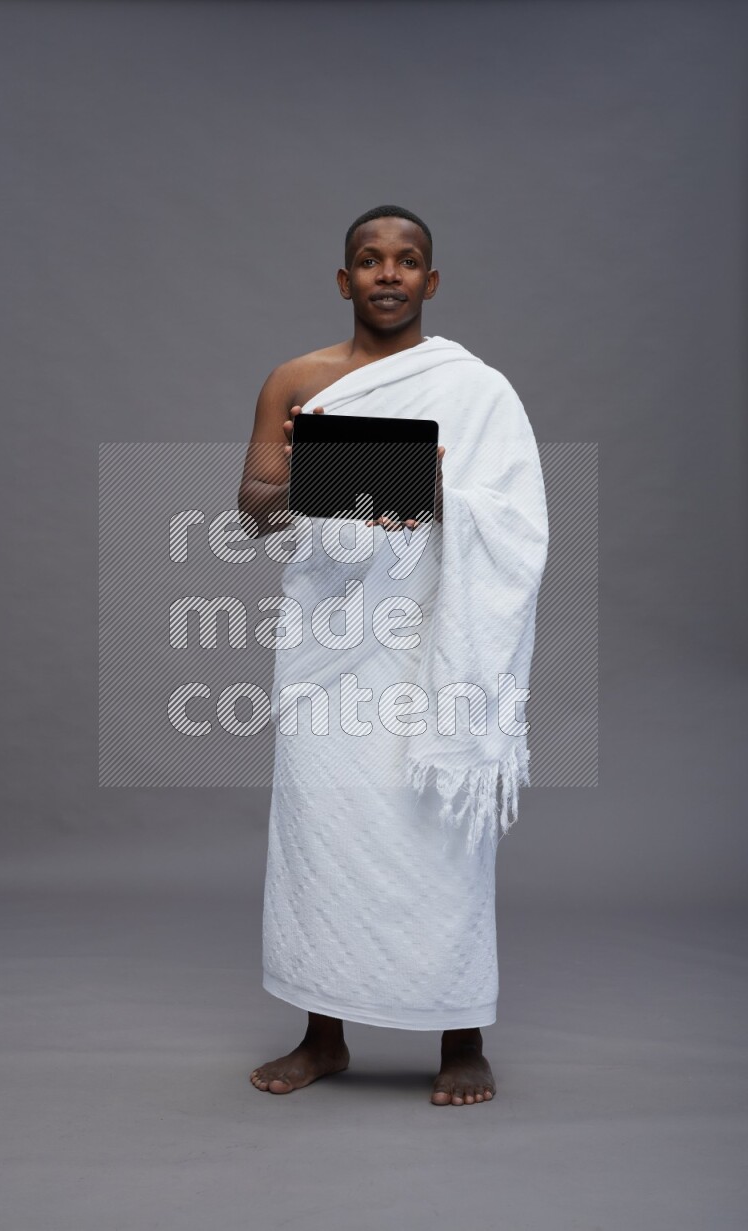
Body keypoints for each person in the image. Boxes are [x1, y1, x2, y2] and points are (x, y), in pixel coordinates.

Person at [238, 205, 547, 1106]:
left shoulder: (478, 389)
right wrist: (341, 472)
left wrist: (430, 482)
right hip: (331, 637)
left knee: (438, 831)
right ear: (344, 280)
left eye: (406, 260)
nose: (387, 273)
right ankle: (321, 1032)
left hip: (429, 641)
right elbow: (254, 504)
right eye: (368, 260)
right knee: (321, 828)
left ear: (431, 281)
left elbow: (517, 522)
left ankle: (462, 1033)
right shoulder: (296, 380)